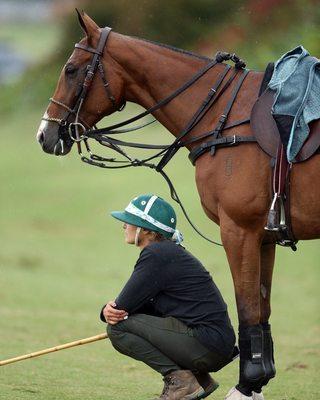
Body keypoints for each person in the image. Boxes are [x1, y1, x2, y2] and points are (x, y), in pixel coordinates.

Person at [100, 194, 238, 400]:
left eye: (129, 222)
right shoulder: (167, 252)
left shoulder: (157, 254)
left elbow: (124, 308)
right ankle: (199, 380)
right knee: (127, 323)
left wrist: (107, 312)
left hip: (206, 345)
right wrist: (109, 310)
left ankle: (183, 383)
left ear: (145, 229)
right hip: (214, 345)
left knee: (117, 329)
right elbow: (141, 307)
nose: (124, 226)